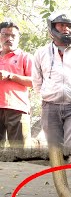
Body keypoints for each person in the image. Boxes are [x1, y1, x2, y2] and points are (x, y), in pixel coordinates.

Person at [32, 10, 71, 156]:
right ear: (53, 27)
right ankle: (57, 178)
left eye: (69, 26)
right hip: (50, 107)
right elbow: (36, 80)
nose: (66, 28)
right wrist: (46, 94)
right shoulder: (41, 53)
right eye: (61, 25)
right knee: (55, 151)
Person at [0, 21, 33, 149]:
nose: (9, 38)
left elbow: (35, 82)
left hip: (17, 110)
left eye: (13, 36)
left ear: (18, 38)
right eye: (5, 35)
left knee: (21, 153)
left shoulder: (25, 57)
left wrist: (10, 76)